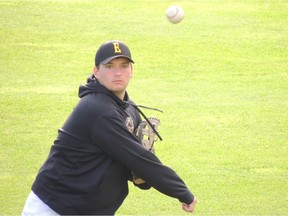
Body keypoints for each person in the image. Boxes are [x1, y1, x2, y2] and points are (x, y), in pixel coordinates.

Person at [22, 40, 197, 215]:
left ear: (132, 71)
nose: (118, 73)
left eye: (124, 66)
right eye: (109, 66)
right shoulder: (97, 109)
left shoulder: (129, 110)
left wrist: (140, 176)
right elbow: (139, 159)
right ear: (96, 72)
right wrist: (182, 192)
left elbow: (136, 169)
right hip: (53, 207)